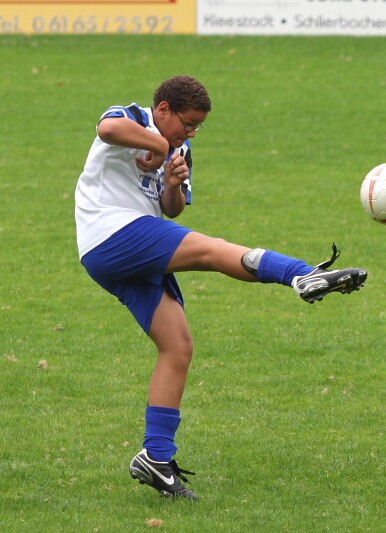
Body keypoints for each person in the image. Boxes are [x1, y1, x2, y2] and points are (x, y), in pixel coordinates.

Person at [75, 75, 368, 500]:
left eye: (198, 127)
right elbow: (106, 129)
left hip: (123, 247)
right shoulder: (133, 116)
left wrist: (172, 183)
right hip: (111, 231)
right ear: (163, 110)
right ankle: (300, 274)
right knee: (212, 250)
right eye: (188, 123)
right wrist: (159, 145)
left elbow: (172, 210)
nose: (192, 133)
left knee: (178, 346)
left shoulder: (181, 149)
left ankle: (156, 457)